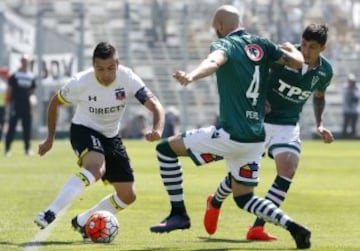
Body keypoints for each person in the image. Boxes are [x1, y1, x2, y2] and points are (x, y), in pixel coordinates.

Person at [150, 5, 311, 249]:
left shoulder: (226, 44)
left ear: (220, 26)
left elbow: (214, 62)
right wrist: (293, 51)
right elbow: (298, 63)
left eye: (215, 27)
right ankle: (293, 226)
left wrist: (192, 76)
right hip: (255, 139)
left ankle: (178, 214)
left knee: (165, 150)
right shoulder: (263, 45)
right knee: (244, 197)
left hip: (230, 134)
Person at [204, 23, 334, 242]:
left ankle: (257, 227)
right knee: (243, 173)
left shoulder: (325, 71)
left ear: (323, 49)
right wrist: (258, 99)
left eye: (312, 47)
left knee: (288, 169)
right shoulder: (285, 56)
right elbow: (254, 73)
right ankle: (215, 201)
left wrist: (320, 123)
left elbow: (319, 96)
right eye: (303, 44)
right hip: (259, 121)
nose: (305, 50)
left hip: (288, 124)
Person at [34, 42, 165, 240]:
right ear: (93, 65)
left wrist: (157, 129)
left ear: (118, 64)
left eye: (111, 68)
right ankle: (50, 211)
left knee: (128, 195)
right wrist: (49, 139)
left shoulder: (128, 78)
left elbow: (155, 105)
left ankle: (83, 220)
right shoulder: (80, 82)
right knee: (97, 168)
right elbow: (55, 103)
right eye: (100, 69)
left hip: (111, 136)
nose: (105, 74)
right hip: (83, 130)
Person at [4, 55, 36, 156]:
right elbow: (10, 90)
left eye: (26, 61)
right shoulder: (15, 75)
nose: (24, 63)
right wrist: (9, 103)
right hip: (16, 104)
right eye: (23, 61)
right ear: (21, 62)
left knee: (27, 127)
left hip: (26, 105)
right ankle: (7, 149)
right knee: (12, 127)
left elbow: (32, 90)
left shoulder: (31, 76)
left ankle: (27, 149)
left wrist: (31, 103)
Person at [342, 73, 359, 138]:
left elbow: (356, 98)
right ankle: (344, 138)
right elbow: (345, 97)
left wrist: (353, 91)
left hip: (355, 110)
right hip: (347, 110)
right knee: (345, 125)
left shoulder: (357, 88)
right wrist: (350, 90)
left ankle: (353, 138)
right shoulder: (345, 88)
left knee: (353, 125)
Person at [0, 67, 9, 142]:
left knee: (3, 122)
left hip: (3, 106)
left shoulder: (5, 83)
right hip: (1, 106)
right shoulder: (2, 84)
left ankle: (2, 136)